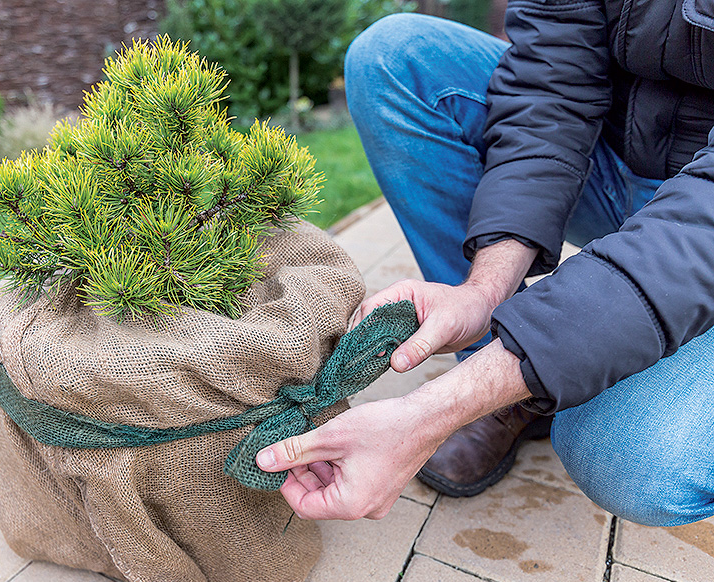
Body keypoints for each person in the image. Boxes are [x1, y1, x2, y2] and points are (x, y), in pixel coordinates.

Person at [256, 1, 714, 527]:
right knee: (394, 57)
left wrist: (430, 413)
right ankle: (503, 386)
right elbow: (552, 87)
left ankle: (506, 379)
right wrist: (485, 292)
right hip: (617, 155)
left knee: (631, 459)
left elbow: (695, 239)